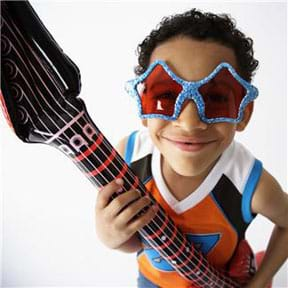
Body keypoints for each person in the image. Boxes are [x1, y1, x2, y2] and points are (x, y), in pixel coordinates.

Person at [94, 9, 288, 288]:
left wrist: (262, 279)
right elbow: (140, 240)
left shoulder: (248, 183)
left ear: (243, 113)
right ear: (143, 107)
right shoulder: (130, 157)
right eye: (165, 96)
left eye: (217, 98)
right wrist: (109, 235)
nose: (189, 122)